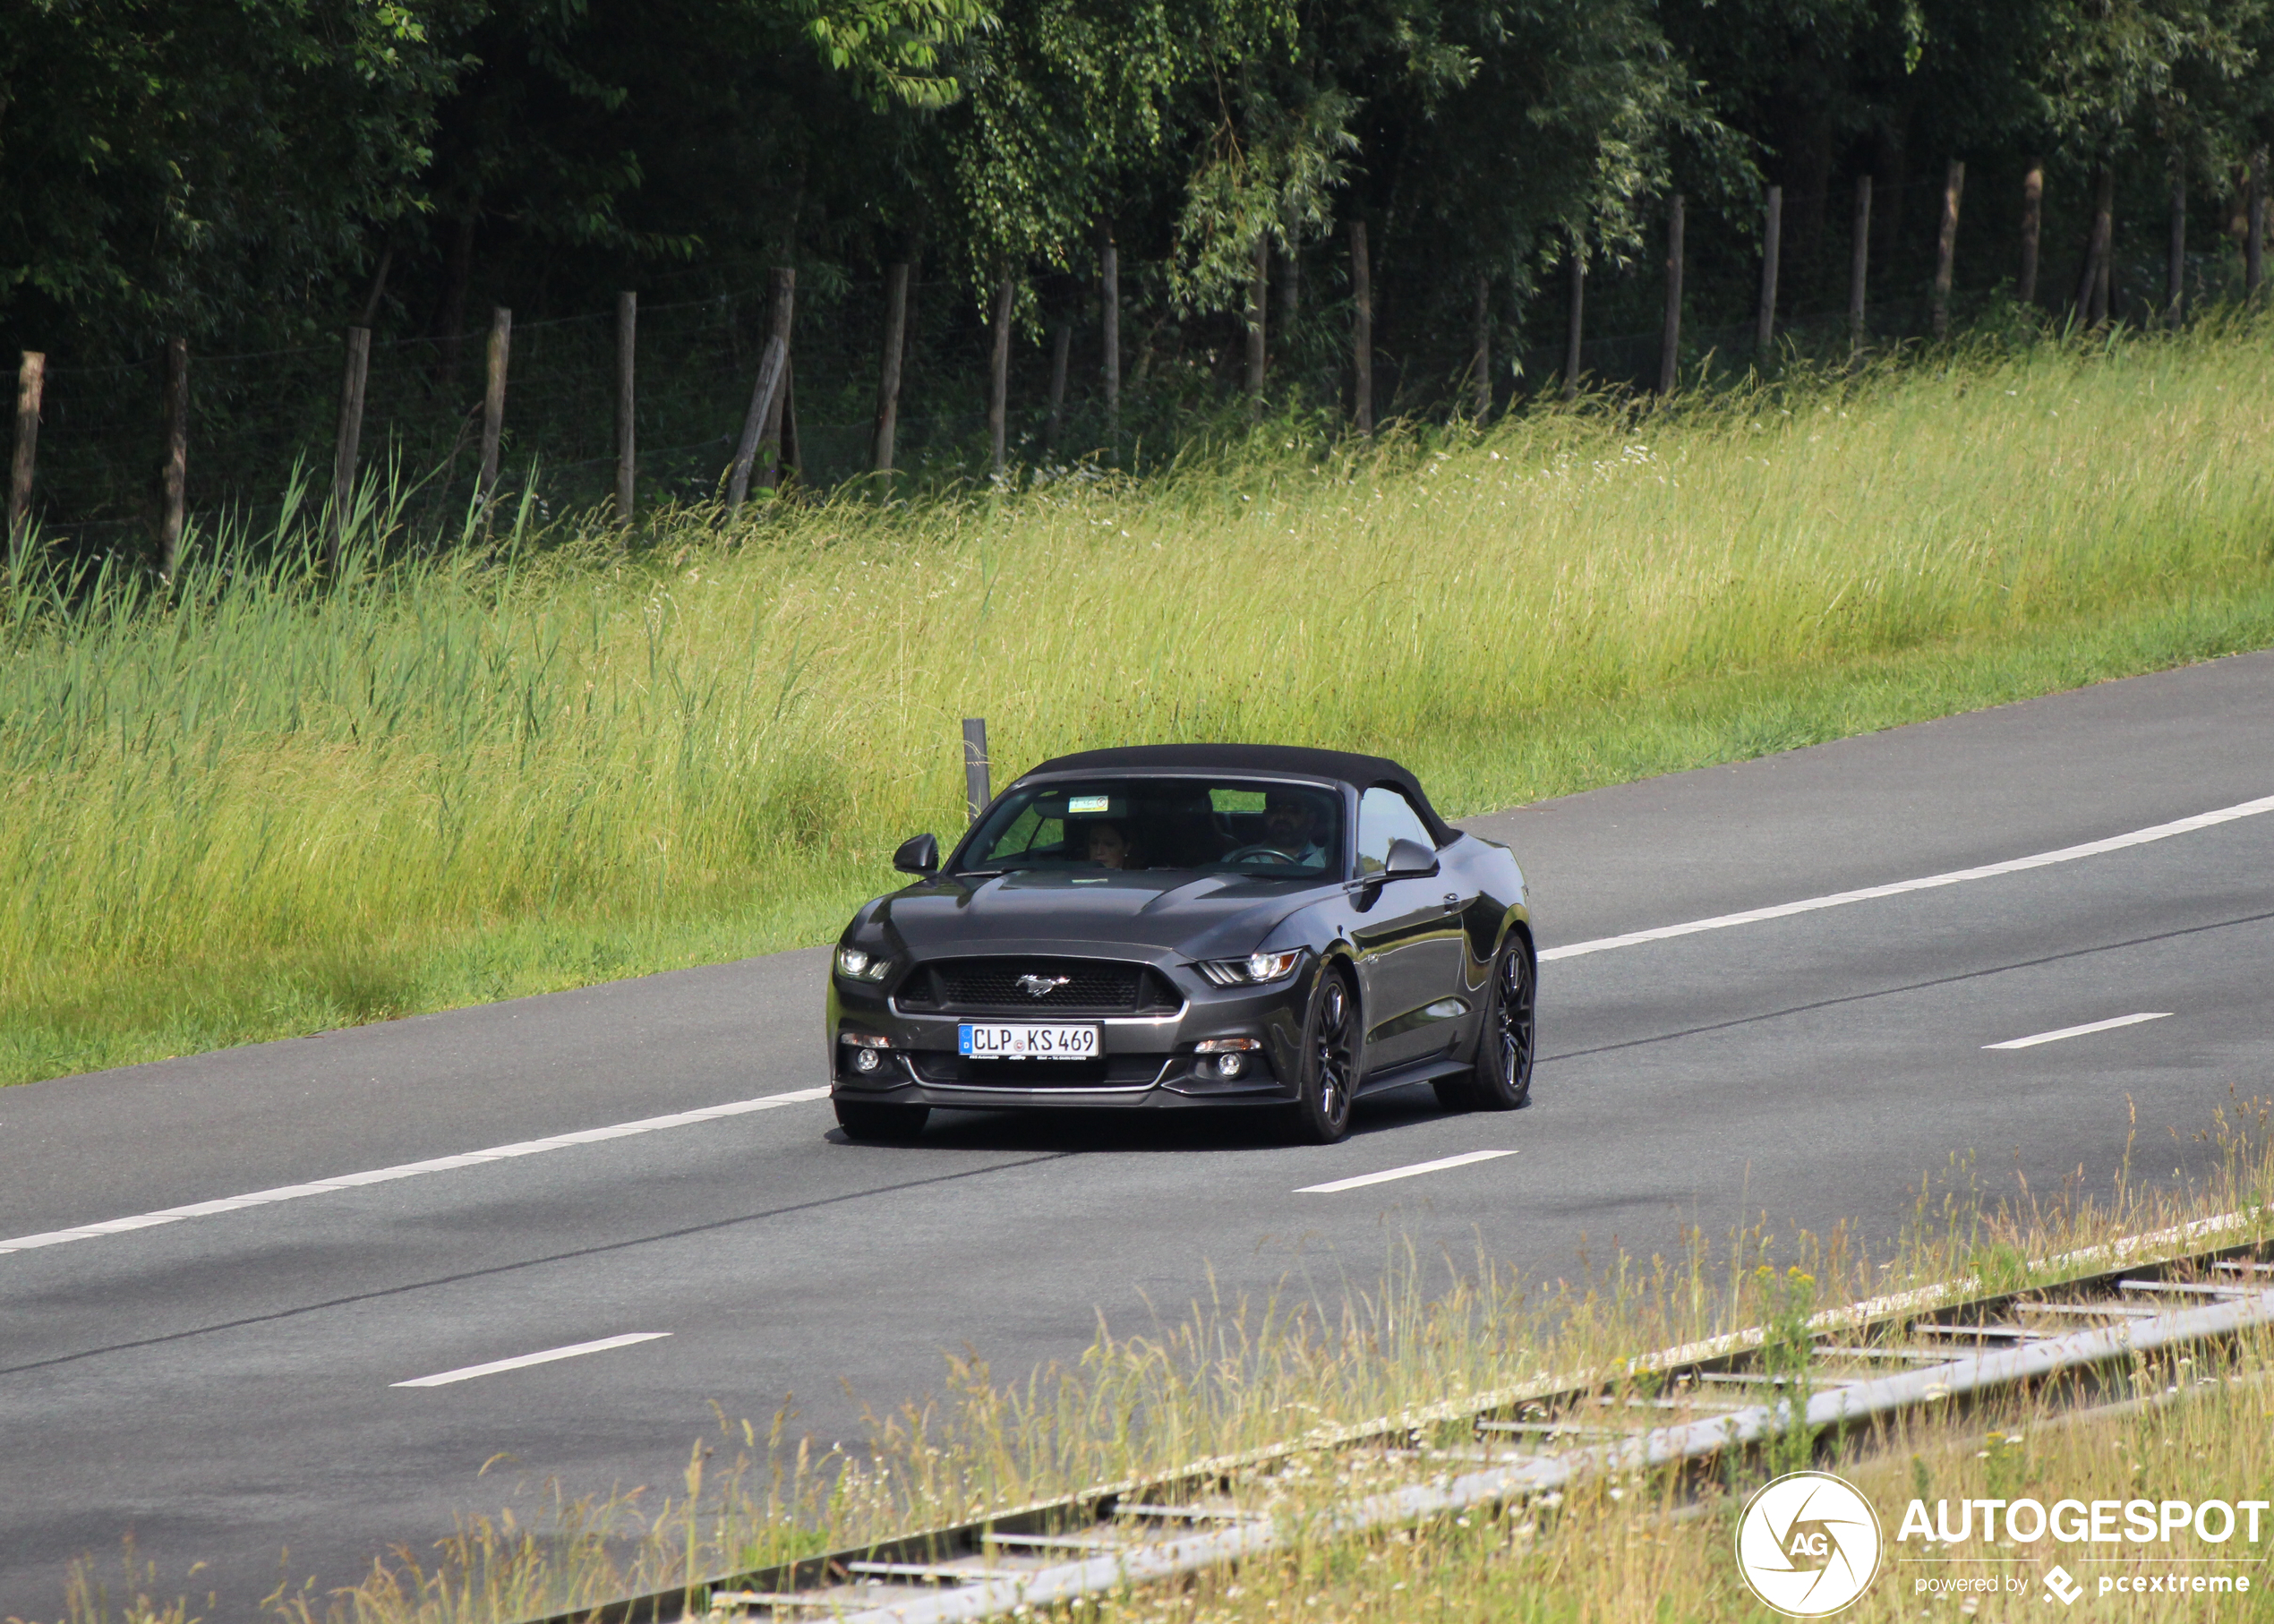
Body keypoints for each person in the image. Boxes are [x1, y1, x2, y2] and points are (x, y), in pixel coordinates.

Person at [1260, 791, 1329, 868]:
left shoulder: (1325, 863)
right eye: (1274, 809)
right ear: (1266, 816)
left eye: (1292, 810)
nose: (1281, 816)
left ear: (1311, 820)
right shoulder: (1246, 860)